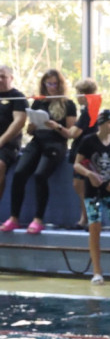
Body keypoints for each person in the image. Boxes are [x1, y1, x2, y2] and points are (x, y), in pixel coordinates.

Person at [1, 68, 77, 234]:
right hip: (38, 141)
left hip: (56, 143)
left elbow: (70, 133)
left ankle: (38, 219)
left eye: (55, 84)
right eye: (48, 83)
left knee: (40, 175)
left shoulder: (68, 104)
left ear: (60, 85)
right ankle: (14, 217)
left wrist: (56, 126)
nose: (52, 87)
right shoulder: (39, 102)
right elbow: (30, 130)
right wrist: (32, 127)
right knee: (20, 172)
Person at [73, 108, 110, 285]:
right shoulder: (88, 141)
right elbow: (77, 165)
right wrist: (90, 175)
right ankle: (97, 271)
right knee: (94, 228)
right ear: (101, 124)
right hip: (93, 192)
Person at [67, 77, 101, 229]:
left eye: (78, 92)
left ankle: (89, 218)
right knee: (80, 186)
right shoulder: (87, 111)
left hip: (86, 154)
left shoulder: (89, 111)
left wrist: (57, 127)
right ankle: (85, 217)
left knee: (84, 187)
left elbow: (74, 132)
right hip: (83, 151)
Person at [0, 64, 28, 206]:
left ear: (11, 78)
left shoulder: (17, 97)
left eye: (3, 77)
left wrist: (1, 141)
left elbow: (19, 122)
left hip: (7, 145)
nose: (0, 80)